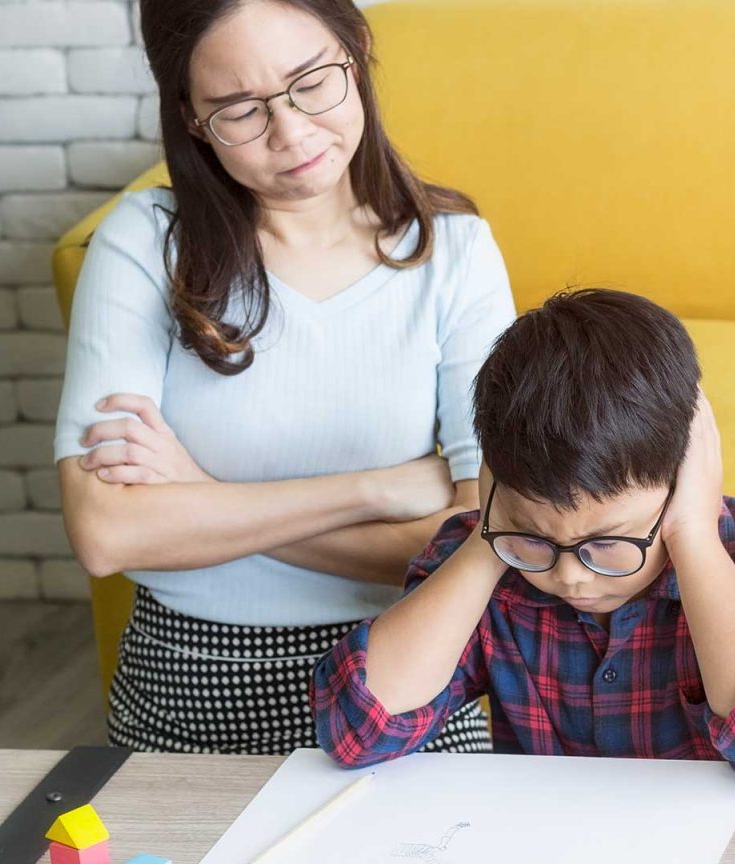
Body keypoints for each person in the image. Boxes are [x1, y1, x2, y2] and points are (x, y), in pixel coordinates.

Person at [53, 0, 514, 754]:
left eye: (312, 82)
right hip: (190, 683)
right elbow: (107, 534)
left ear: (357, 52)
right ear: (191, 118)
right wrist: (372, 489)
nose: (292, 132)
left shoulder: (454, 252)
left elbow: (486, 538)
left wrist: (200, 501)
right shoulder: (144, 245)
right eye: (239, 109)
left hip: (408, 675)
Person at [312, 290, 735, 788]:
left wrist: (694, 539)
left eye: (608, 544)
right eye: (534, 538)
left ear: (684, 478)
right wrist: (489, 533)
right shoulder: (490, 554)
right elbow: (355, 731)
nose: (569, 575)